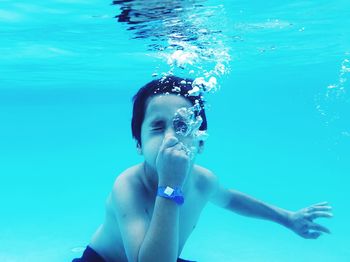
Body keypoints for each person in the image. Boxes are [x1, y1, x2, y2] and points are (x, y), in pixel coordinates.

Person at [73, 76, 333, 262]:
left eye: (183, 126)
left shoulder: (202, 181)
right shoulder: (128, 186)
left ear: (200, 142)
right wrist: (170, 185)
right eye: (157, 127)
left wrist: (286, 218)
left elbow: (231, 199)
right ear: (138, 144)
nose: (170, 138)